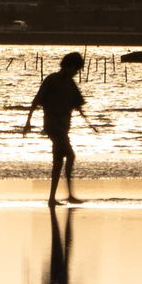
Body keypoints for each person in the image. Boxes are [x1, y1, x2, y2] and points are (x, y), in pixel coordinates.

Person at [21, 52, 88, 205]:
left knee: (58, 161)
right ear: (69, 66)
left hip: (63, 127)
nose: (76, 73)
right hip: (53, 126)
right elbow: (36, 100)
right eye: (75, 69)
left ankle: (53, 198)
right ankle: (68, 195)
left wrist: (88, 122)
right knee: (70, 155)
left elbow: (77, 104)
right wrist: (28, 122)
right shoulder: (51, 80)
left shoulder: (70, 84)